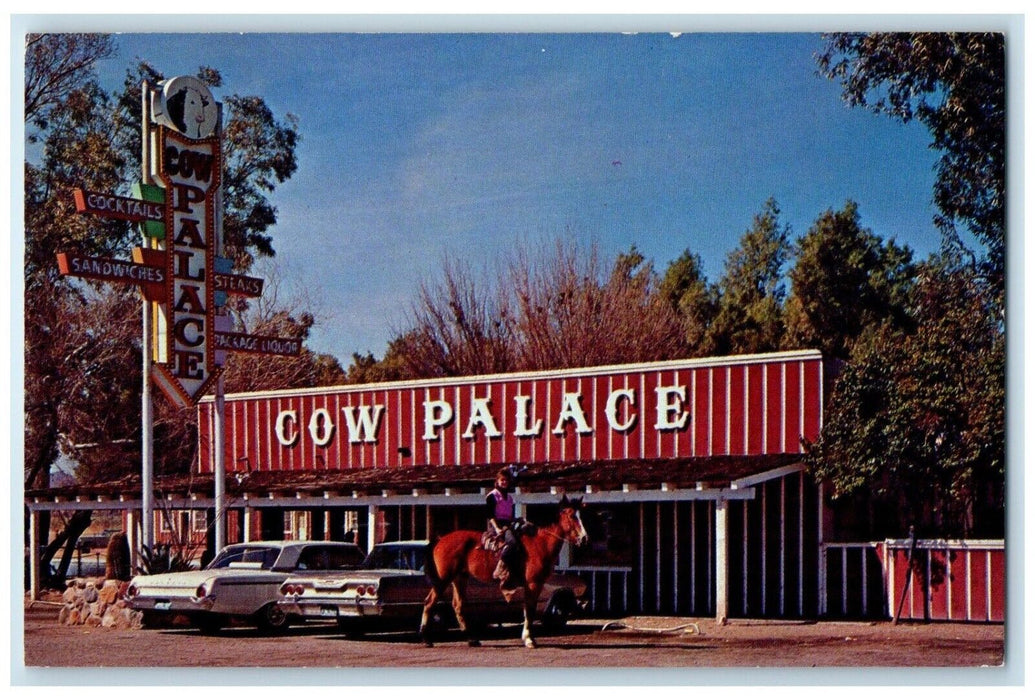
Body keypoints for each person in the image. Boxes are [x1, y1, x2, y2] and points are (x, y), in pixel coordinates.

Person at [485, 465, 527, 592]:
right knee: (512, 542)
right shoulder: (492, 496)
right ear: (497, 481)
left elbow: (509, 516)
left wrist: (517, 520)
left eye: (506, 481)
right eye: (502, 480)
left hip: (507, 525)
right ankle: (501, 567)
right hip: (496, 525)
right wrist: (497, 528)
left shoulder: (509, 498)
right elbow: (489, 514)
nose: (504, 482)